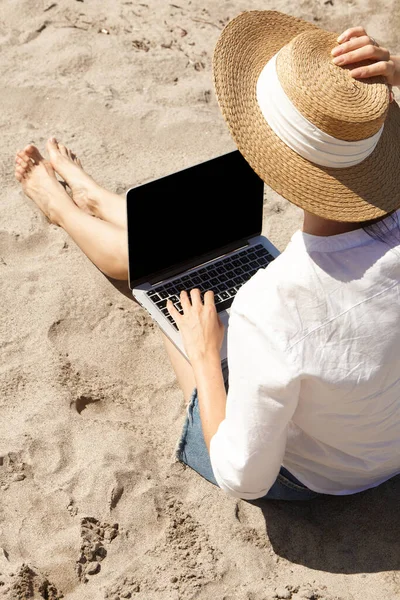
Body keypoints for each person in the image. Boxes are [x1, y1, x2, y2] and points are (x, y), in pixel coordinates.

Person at [14, 13, 400, 501]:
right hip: (384, 441)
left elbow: (244, 477)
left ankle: (64, 210)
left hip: (315, 477)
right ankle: (97, 202)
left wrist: (202, 352)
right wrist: (396, 71)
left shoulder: (273, 307)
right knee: (212, 256)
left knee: (172, 282)